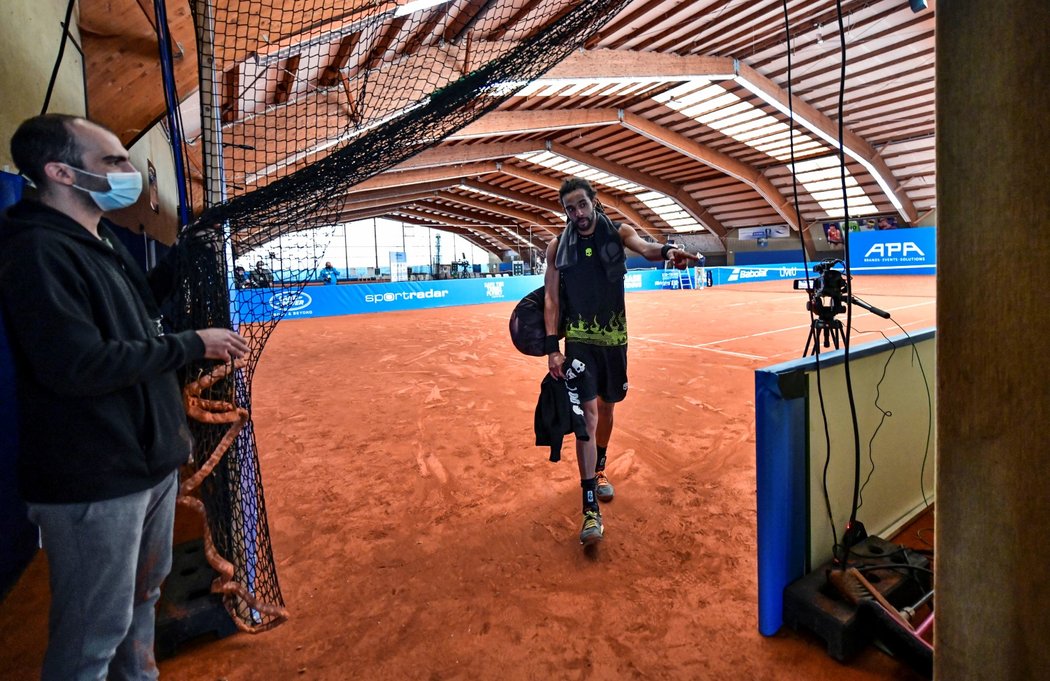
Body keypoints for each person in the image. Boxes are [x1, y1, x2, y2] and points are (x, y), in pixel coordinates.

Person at [0, 114, 250, 680]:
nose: (128, 172)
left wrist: (187, 260)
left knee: (141, 604)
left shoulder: (98, 238)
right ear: (60, 172)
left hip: (146, 464)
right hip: (97, 475)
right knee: (93, 633)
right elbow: (78, 364)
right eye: (112, 161)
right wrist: (192, 343)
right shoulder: (38, 251)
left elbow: (139, 318)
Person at [544, 177, 699, 546]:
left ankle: (599, 470)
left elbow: (644, 247)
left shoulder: (618, 232)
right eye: (570, 208)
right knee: (587, 415)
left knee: (608, 410)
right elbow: (551, 299)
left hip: (614, 341)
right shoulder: (556, 247)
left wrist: (667, 251)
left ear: (594, 202)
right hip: (579, 341)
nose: (577, 213)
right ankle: (589, 510)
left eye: (582, 204)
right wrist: (553, 348)